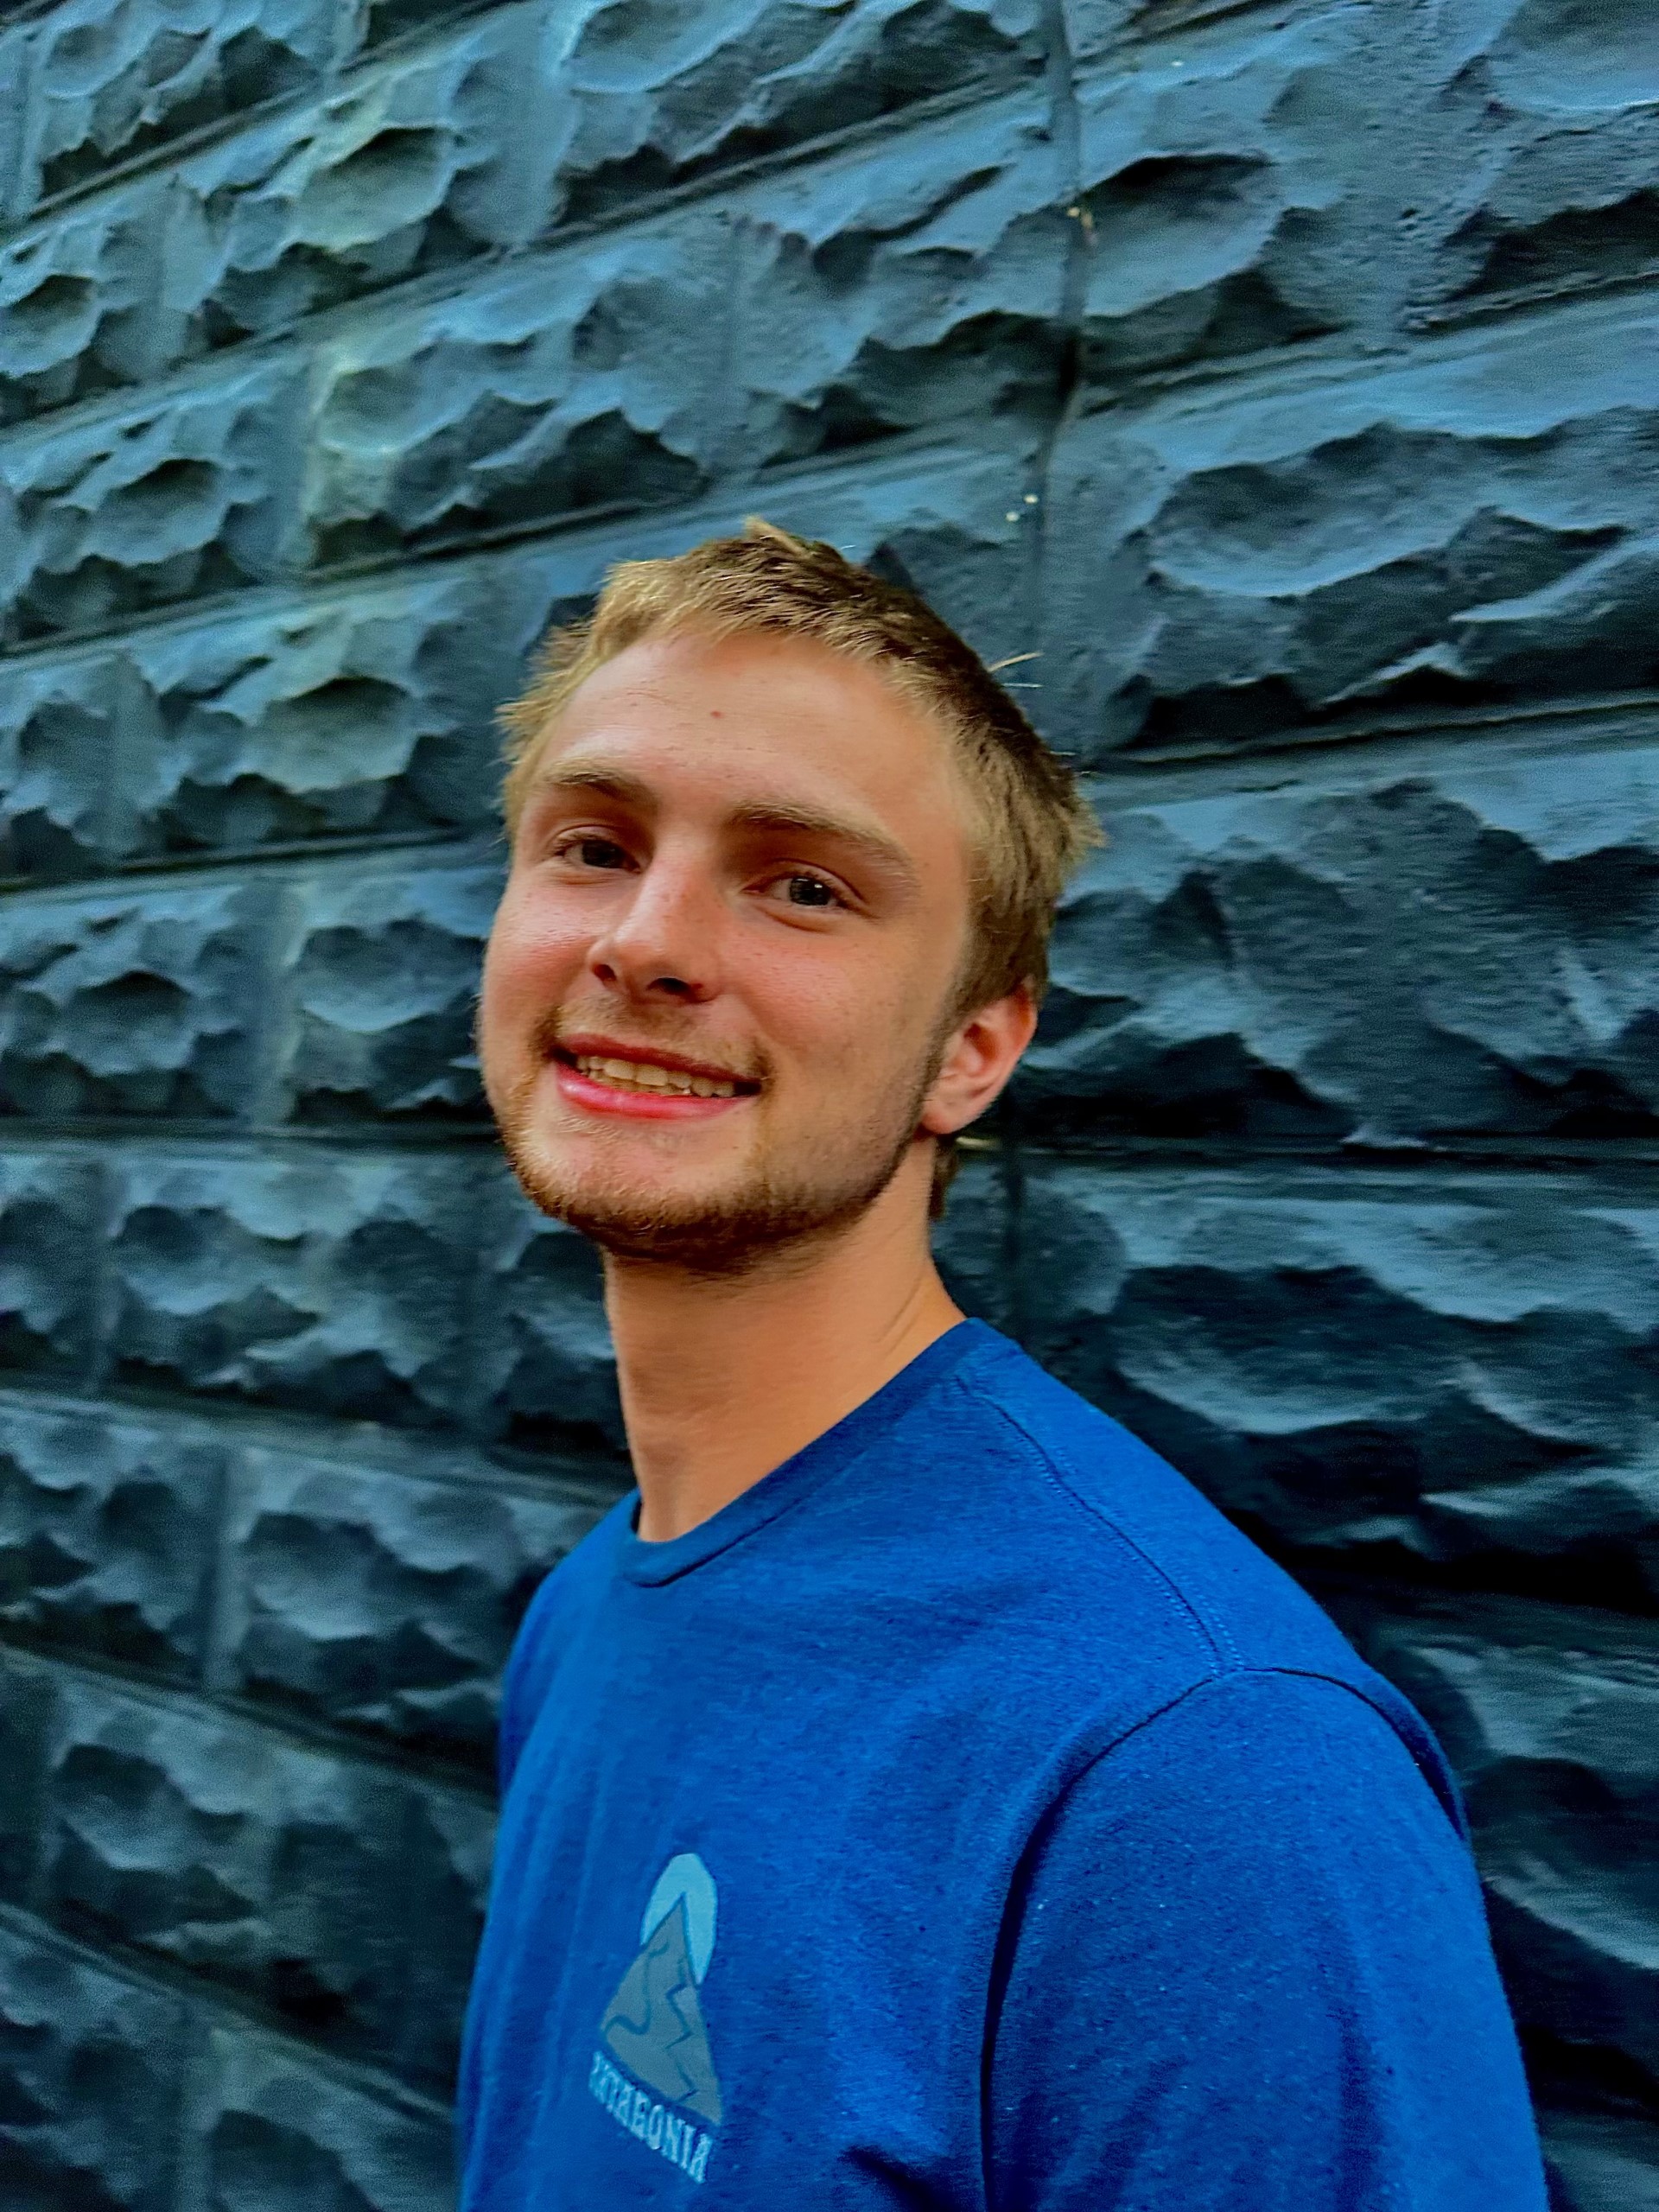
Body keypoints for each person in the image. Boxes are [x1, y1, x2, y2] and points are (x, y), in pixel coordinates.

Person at [457, 521, 1550, 2209]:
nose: (649, 941)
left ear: (973, 1048)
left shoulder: (1198, 1770)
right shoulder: (591, 1611)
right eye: (594, 845)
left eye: (803, 884)